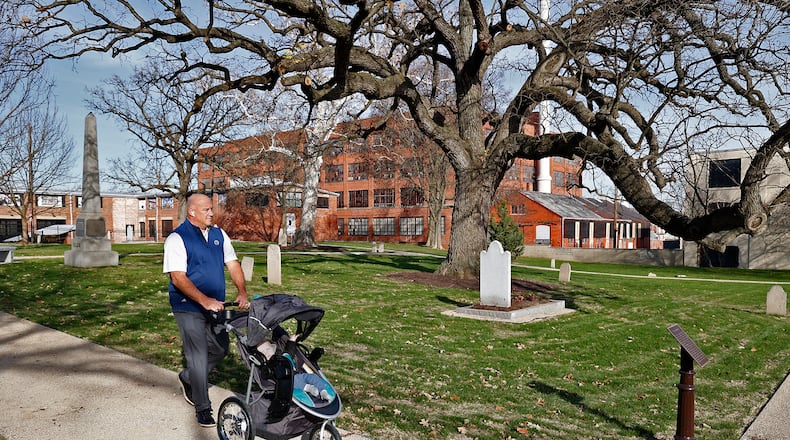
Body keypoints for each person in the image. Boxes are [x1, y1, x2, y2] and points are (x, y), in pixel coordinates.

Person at [163, 193, 250, 428]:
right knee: (198, 356)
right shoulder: (177, 238)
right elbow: (178, 278)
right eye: (206, 210)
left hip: (215, 305)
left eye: (212, 209)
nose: (212, 213)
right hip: (188, 305)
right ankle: (203, 408)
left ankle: (188, 377)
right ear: (192, 212)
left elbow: (232, 264)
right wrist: (203, 300)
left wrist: (241, 292)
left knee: (220, 349)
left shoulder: (219, 235)